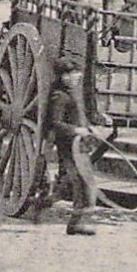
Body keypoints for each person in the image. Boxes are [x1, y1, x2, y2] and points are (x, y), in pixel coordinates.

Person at [45, 55, 101, 236]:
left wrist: (90, 128)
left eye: (74, 73)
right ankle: (76, 223)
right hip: (68, 145)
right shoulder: (59, 96)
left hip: (80, 145)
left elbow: (81, 117)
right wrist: (77, 130)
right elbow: (55, 123)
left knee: (84, 181)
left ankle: (79, 220)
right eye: (66, 75)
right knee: (80, 181)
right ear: (60, 77)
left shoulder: (76, 94)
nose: (71, 77)